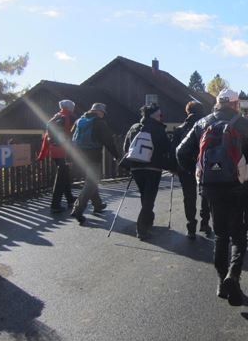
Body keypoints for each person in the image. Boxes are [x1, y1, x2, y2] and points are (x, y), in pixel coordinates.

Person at [176, 89, 248, 306]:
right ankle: (233, 276)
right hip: (238, 186)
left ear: (217, 103)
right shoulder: (245, 125)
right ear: (235, 104)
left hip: (211, 187)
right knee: (239, 236)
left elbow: (180, 152)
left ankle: (220, 281)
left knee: (220, 235)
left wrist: (197, 172)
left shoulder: (202, 123)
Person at [123, 104, 174, 240]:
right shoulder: (158, 128)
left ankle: (148, 220)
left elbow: (126, 147)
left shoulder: (134, 128)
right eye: (160, 115)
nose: (161, 117)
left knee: (145, 195)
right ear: (155, 115)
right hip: (153, 167)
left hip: (136, 167)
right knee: (149, 198)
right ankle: (142, 229)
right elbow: (166, 147)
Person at [70, 103, 122, 224]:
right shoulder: (99, 123)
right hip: (93, 156)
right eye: (103, 113)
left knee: (90, 181)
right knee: (91, 183)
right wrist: (117, 156)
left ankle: (97, 204)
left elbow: (71, 137)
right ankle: (78, 209)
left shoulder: (79, 120)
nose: (103, 115)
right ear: (99, 112)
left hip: (79, 156)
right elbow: (108, 141)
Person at [174, 101, 212, 239]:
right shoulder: (206, 126)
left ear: (187, 111)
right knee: (205, 195)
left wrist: (175, 167)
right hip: (202, 165)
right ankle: (205, 222)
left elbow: (176, 151)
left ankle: (191, 225)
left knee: (188, 196)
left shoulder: (179, 129)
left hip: (185, 167)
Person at [37, 99, 77, 213]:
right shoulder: (71, 118)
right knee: (61, 178)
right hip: (66, 152)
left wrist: (42, 154)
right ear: (70, 108)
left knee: (64, 176)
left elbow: (46, 137)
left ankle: (70, 199)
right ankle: (55, 205)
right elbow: (74, 136)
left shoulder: (53, 119)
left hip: (54, 151)